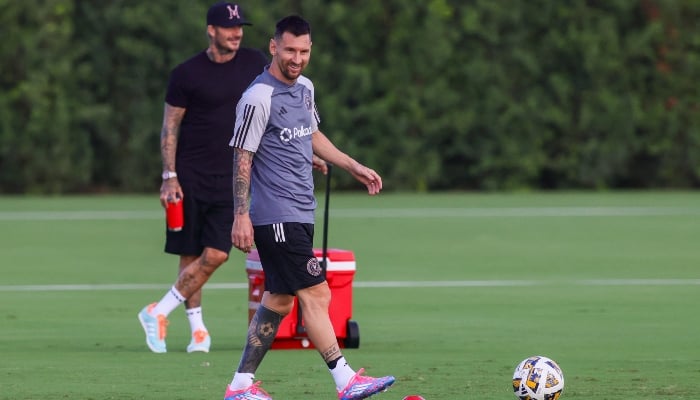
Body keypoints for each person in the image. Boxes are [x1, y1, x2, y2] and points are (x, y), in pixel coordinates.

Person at [224, 15, 395, 400]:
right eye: (289, 50)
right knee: (317, 294)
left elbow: (309, 133)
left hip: (301, 211)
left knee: (280, 300)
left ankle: (239, 387)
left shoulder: (304, 88)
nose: (296, 58)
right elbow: (242, 156)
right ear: (273, 47)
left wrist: (351, 165)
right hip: (275, 215)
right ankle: (344, 378)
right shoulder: (257, 97)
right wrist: (240, 214)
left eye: (303, 51)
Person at [137, 1, 268, 354]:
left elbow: (275, 108)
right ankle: (198, 332)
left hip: (233, 177)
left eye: (240, 26)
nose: (237, 32)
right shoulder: (186, 73)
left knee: (216, 253)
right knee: (190, 253)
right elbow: (170, 127)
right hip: (191, 177)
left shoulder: (256, 63)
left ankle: (157, 311)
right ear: (211, 30)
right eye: (229, 27)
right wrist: (169, 176)